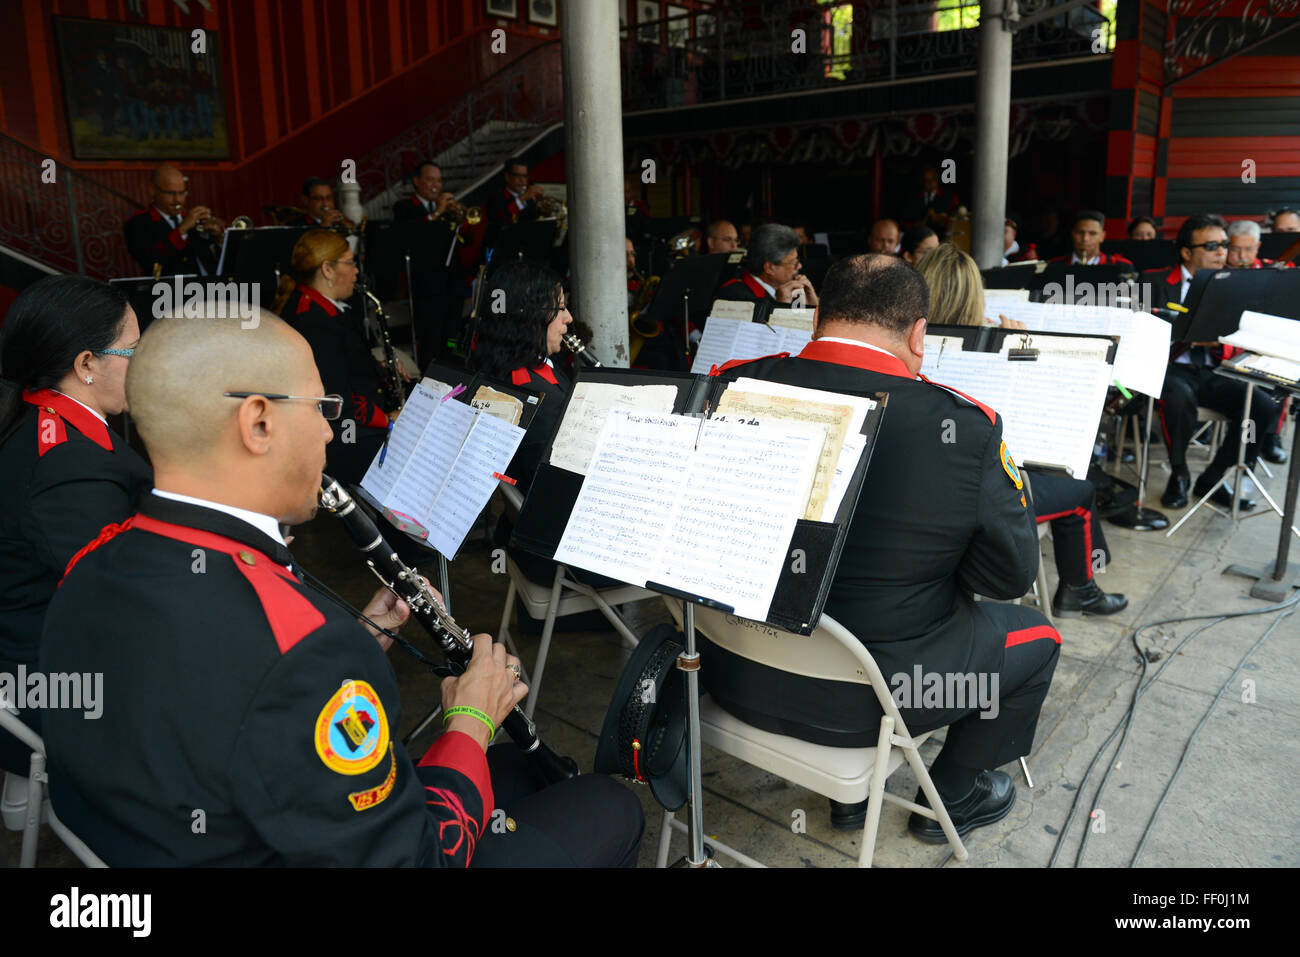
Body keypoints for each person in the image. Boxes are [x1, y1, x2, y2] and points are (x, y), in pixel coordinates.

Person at [39, 310, 643, 866]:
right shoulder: (309, 653)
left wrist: (352, 645)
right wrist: (471, 719)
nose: (331, 434)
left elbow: (221, 696)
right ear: (258, 421)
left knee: (516, 770)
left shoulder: (90, 562)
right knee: (610, 805)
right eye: (320, 408)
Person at [710, 254, 1061, 841]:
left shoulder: (733, 384)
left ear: (819, 315)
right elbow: (1009, 578)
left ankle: (852, 799)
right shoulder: (967, 426)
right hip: (875, 703)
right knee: (1041, 640)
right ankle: (952, 794)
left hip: (728, 669)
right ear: (919, 333)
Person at [917, 244, 1127, 617]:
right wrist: (1024, 351)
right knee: (1080, 491)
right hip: (983, 491)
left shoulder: (906, 344)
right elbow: (1041, 419)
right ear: (973, 296)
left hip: (928, 483)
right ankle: (1081, 589)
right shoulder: (995, 345)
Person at [0, 276, 152, 775]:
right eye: (133, 349)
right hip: (60, 690)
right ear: (86, 364)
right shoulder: (67, 465)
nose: (144, 363)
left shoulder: (45, 419)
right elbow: (117, 601)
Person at [1148, 213, 1285, 509]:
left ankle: (1211, 478)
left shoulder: (1231, 282)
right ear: (1187, 252)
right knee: (1178, 396)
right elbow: (1141, 329)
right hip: (1171, 368)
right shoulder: (1154, 280)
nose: (1222, 252)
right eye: (1212, 246)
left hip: (1213, 369)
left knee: (1262, 405)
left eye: (1224, 244)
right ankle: (1179, 473)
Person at [271, 229, 398, 485]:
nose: (356, 272)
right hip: (341, 437)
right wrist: (387, 419)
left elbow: (339, 364)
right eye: (350, 263)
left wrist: (378, 368)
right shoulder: (315, 323)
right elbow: (335, 399)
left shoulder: (319, 307)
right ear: (327, 269)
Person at [123, 164, 222, 276]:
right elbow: (151, 262)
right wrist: (182, 229)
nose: (178, 200)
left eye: (182, 193)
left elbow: (219, 262)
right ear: (152, 190)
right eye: (170, 193)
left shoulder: (193, 219)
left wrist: (219, 238)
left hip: (212, 288)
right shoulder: (137, 224)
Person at [715, 223, 818, 306]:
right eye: (793, 263)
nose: (799, 266)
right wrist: (780, 307)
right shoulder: (734, 295)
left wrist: (813, 305)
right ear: (770, 268)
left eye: (798, 260)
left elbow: (801, 324)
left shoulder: (793, 288)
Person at [1048, 210, 1133, 266]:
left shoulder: (1120, 266)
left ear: (1102, 236)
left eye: (1092, 233)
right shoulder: (1054, 266)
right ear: (1072, 234)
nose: (1085, 238)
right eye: (1080, 232)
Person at [284, 177, 354, 230]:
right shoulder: (295, 226)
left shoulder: (340, 222)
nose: (325, 204)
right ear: (305, 200)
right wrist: (324, 228)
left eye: (329, 198)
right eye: (318, 199)